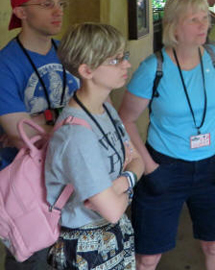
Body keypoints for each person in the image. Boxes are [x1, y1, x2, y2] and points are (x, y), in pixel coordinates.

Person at [119, 0, 215, 270]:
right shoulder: (154, 67)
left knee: (214, 244)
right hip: (165, 167)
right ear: (174, 27)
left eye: (204, 17)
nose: (203, 25)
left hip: (213, 165)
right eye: (193, 19)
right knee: (147, 256)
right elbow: (125, 119)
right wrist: (149, 168)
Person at [44, 22, 144, 269]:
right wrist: (130, 180)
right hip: (85, 247)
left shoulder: (105, 108)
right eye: (114, 60)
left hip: (112, 235)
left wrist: (121, 183)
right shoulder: (76, 135)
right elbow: (111, 210)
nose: (127, 65)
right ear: (86, 70)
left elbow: (138, 159)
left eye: (125, 56)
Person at [0, 0, 79, 270]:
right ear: (21, 12)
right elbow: (16, 131)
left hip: (72, 177)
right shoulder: (5, 64)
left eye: (60, 4)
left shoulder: (69, 53)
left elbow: (96, 110)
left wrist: (39, 122)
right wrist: (73, 125)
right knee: (34, 260)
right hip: (27, 186)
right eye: (47, 5)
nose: (58, 12)